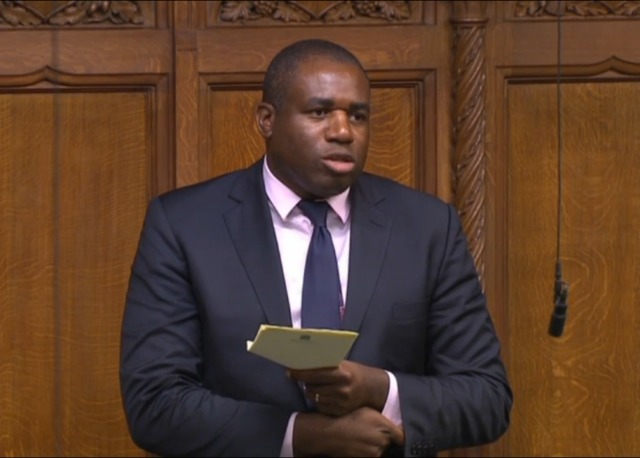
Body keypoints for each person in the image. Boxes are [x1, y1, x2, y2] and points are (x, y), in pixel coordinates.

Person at [119, 38, 513, 458]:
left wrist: (379, 388)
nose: (343, 131)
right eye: (320, 112)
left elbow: (486, 397)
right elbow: (154, 403)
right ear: (267, 120)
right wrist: (298, 436)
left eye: (358, 116)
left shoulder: (428, 227)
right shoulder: (184, 224)